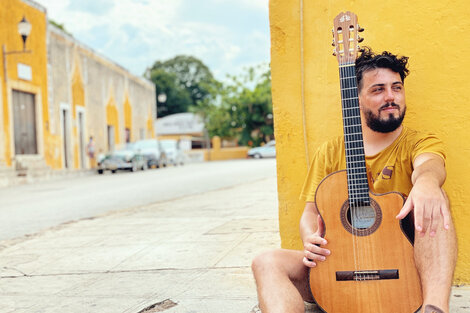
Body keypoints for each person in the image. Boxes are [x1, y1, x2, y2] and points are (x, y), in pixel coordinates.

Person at [251, 48, 458, 313]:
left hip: (402, 272)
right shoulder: (330, 151)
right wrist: (311, 238)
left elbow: (430, 164)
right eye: (378, 90)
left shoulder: (419, 142)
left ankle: (435, 308)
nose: (391, 96)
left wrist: (428, 182)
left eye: (396, 87)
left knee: (435, 202)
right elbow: (310, 213)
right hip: (338, 270)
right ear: (355, 98)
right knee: (265, 261)